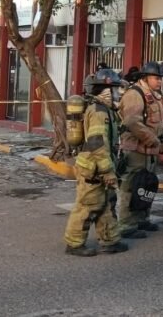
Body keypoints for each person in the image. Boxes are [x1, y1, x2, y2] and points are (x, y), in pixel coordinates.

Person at [63, 69, 128, 257]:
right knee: (87, 206)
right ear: (105, 91)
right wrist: (108, 171)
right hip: (93, 168)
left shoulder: (105, 109)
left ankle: (110, 241)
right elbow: (98, 144)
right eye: (115, 89)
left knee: (105, 203)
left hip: (98, 165)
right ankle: (74, 244)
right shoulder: (99, 112)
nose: (118, 93)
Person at [117, 61, 163, 239]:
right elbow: (132, 122)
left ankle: (142, 219)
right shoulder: (135, 94)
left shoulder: (153, 95)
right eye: (156, 77)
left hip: (149, 151)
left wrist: (161, 134)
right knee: (130, 187)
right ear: (145, 78)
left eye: (160, 78)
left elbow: (154, 121)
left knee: (146, 186)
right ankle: (126, 225)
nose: (159, 81)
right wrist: (152, 139)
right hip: (136, 150)